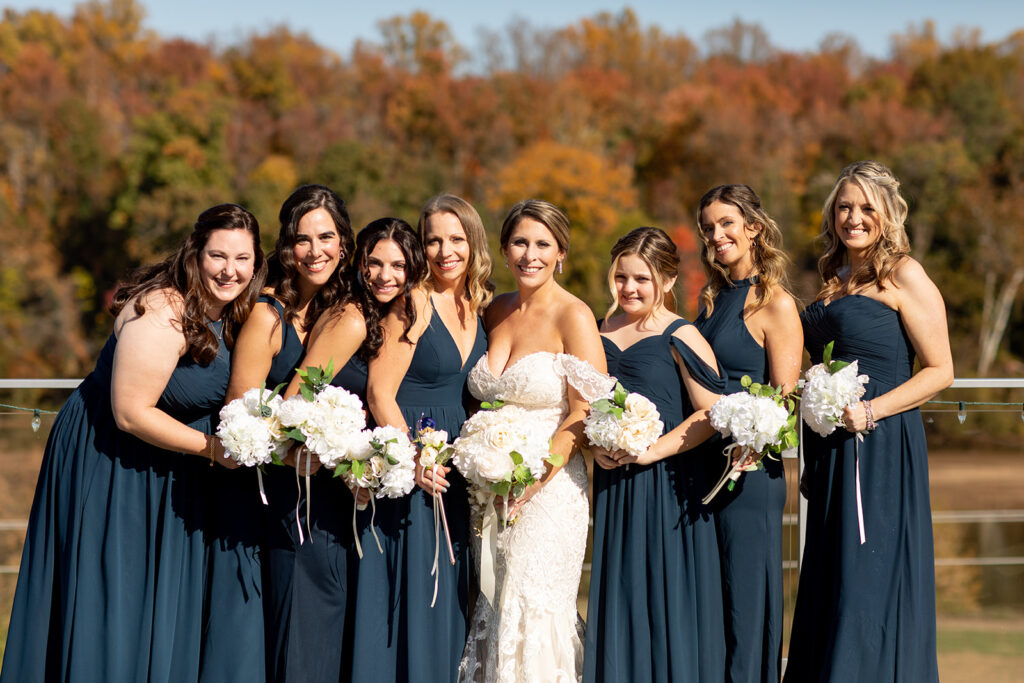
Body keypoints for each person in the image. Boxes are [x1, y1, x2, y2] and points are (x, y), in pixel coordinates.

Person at [0, 204, 266, 683]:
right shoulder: (163, 308)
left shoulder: (230, 312)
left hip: (164, 463)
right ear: (194, 254)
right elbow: (129, 411)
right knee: (113, 599)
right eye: (218, 256)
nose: (230, 270)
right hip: (112, 460)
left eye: (242, 258)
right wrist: (212, 449)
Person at [784, 161, 953, 682]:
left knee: (867, 579)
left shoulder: (904, 272)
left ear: (886, 213)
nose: (852, 218)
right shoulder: (832, 276)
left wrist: (872, 410)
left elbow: (942, 370)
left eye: (864, 208)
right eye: (843, 207)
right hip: (833, 451)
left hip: (879, 444)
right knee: (831, 579)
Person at [459, 199, 614, 683]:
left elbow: (585, 412)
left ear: (561, 252)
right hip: (489, 489)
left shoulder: (575, 315)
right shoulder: (495, 309)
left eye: (543, 244)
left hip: (547, 492)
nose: (531, 254)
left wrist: (532, 480)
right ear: (504, 250)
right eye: (520, 243)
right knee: (494, 602)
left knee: (534, 607)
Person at [283, 216, 426, 682]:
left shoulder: (380, 315)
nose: (386, 275)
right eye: (374, 263)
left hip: (347, 500)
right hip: (320, 494)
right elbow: (295, 402)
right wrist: (348, 464)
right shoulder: (350, 317)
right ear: (357, 261)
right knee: (316, 629)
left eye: (399, 265)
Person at [583, 226, 727, 682]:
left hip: (666, 487)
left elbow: (713, 414)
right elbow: (583, 407)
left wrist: (649, 453)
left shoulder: (679, 334)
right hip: (613, 484)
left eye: (642, 279)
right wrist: (595, 446)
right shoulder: (598, 331)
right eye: (622, 277)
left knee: (664, 598)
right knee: (621, 594)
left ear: (666, 281)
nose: (629, 288)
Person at [356, 196, 491, 681]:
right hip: (413, 459)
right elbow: (379, 391)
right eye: (433, 239)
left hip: (454, 465)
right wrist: (412, 461)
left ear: (474, 242)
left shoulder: (478, 305)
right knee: (412, 588)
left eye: (456, 239)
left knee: (450, 591)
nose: (444, 250)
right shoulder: (413, 301)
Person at [222, 185, 354, 682]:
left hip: (339, 497)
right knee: (298, 635)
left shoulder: (347, 308)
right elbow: (240, 413)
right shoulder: (268, 314)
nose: (315, 250)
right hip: (284, 497)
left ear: (344, 242)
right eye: (302, 239)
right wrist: (298, 447)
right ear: (286, 248)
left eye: (326, 236)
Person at [693, 185, 802, 683]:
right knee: (709, 602)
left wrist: (752, 443)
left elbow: (785, 398)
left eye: (726, 224)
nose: (716, 236)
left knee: (745, 602)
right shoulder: (711, 299)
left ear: (754, 227)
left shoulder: (775, 303)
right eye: (708, 228)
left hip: (751, 472)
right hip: (701, 467)